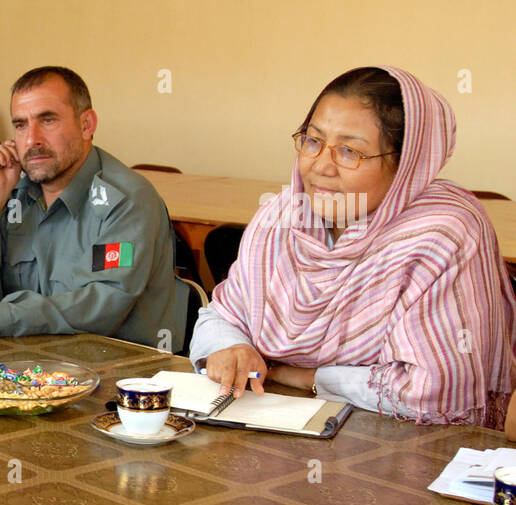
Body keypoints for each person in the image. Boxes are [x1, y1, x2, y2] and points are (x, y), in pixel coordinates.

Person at [191, 66, 516, 427]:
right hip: (276, 423)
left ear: (406, 163)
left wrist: (307, 377)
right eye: (313, 141)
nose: (321, 166)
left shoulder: (445, 235)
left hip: (399, 448)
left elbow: (434, 391)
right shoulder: (280, 217)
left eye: (349, 151)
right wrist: (231, 347)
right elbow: (220, 313)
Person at [0, 66, 184, 347]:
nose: (32, 139)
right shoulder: (13, 195)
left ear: (86, 125)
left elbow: (100, 308)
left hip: (121, 376)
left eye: (47, 120)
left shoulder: (126, 202)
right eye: (21, 125)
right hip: (32, 369)